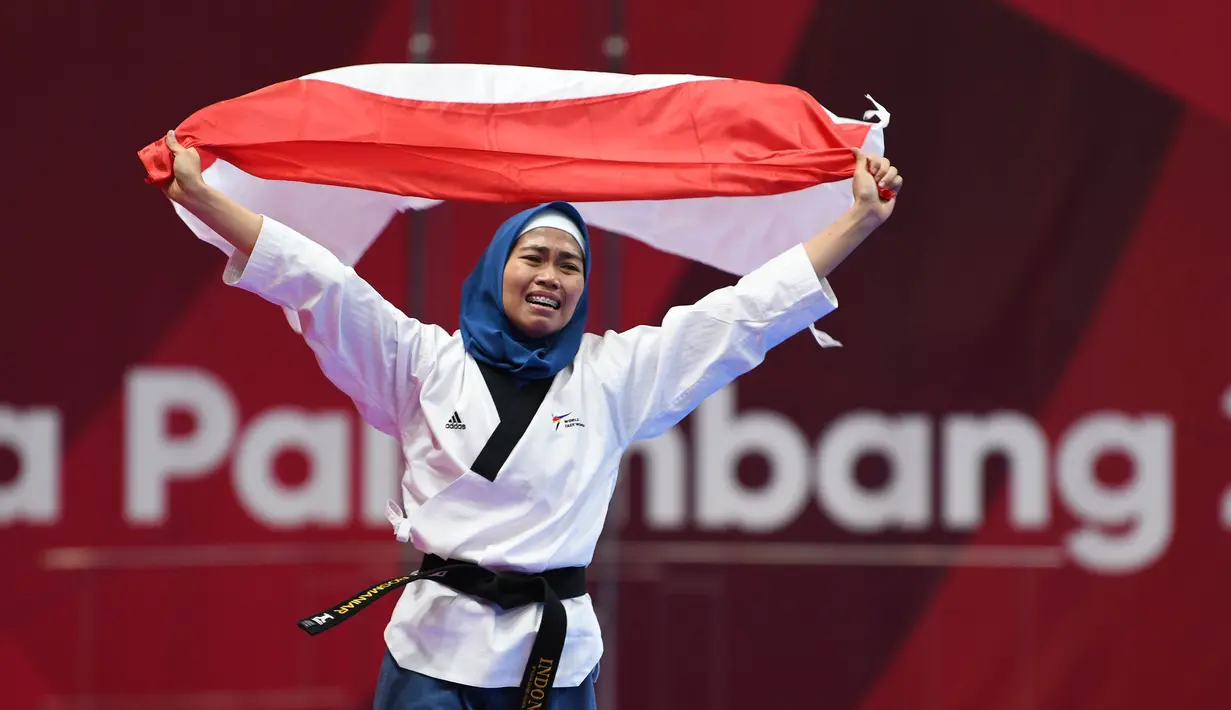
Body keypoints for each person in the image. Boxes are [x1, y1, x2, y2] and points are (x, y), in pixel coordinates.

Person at [161, 129, 903, 710]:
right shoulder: (419, 362)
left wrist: (858, 224)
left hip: (554, 656)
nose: (550, 276)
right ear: (496, 268)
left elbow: (742, 316)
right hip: (432, 652)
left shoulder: (612, 375)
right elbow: (316, 284)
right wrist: (201, 198)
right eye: (534, 257)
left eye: (569, 265)